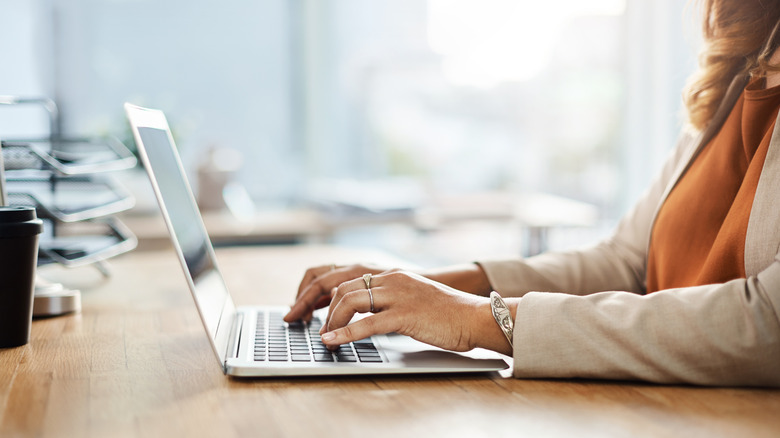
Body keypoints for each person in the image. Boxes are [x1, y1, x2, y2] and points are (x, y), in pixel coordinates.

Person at [284, 0, 780, 387]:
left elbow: (768, 325)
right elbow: (628, 263)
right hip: (650, 402)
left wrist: (478, 319)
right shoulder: (738, 75)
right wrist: (428, 287)